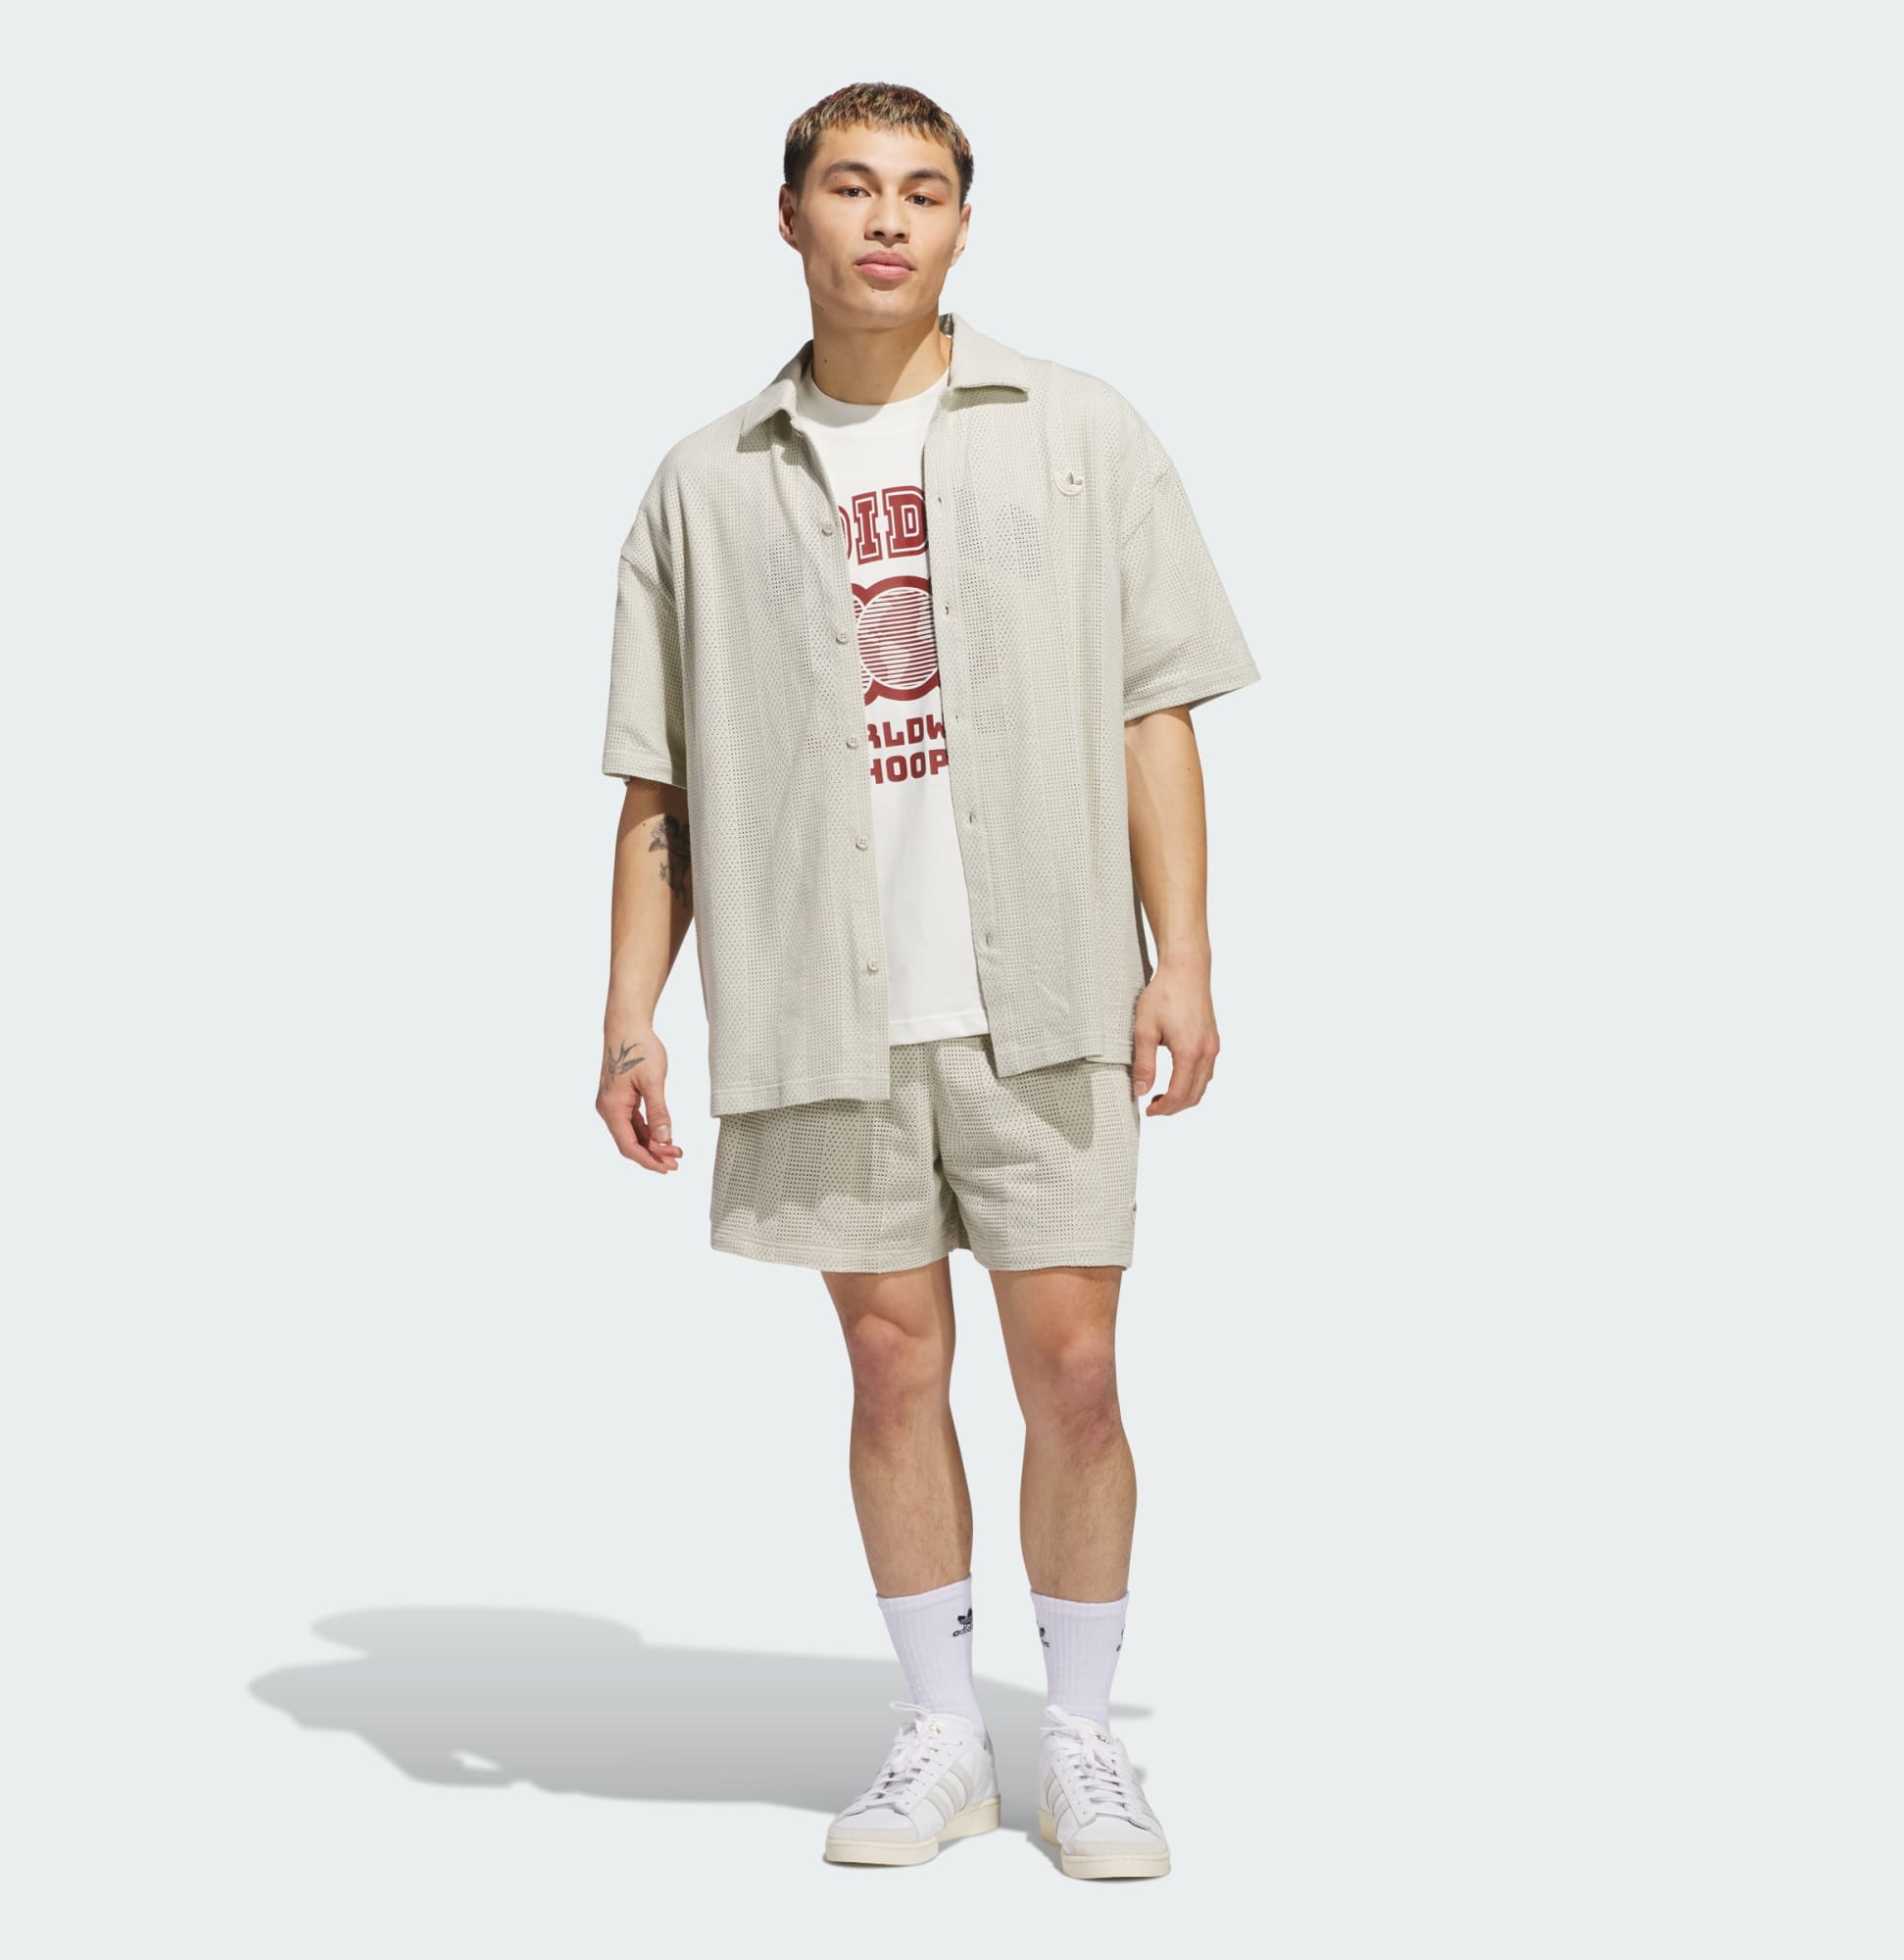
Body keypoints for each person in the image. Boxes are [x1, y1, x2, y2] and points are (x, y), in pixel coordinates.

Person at [596, 81, 1258, 1879]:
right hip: (821, 995)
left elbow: (1155, 706)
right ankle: (944, 1735)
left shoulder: (1077, 428)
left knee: (1079, 1372)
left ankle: (1086, 1741)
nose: (887, 218)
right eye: (851, 186)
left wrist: (1185, 955)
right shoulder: (702, 483)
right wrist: (630, 1012)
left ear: (963, 223)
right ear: (791, 215)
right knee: (893, 1370)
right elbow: (661, 781)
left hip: (1047, 983)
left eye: (924, 191)